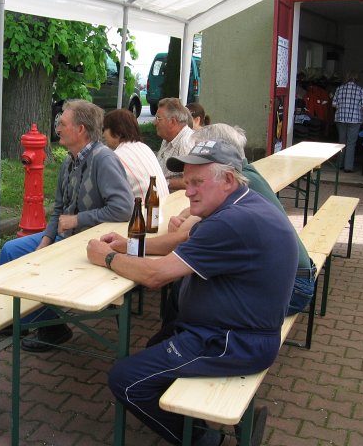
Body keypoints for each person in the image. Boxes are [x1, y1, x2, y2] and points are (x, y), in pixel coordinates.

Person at [86, 140, 298, 446]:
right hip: (233, 328)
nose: (188, 192)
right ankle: (207, 426)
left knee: (126, 379)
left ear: (227, 180)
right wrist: (125, 245)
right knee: (156, 343)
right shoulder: (240, 203)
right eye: (187, 182)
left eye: (197, 183)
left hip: (233, 341)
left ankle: (209, 441)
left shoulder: (231, 222)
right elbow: (179, 243)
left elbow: (156, 276)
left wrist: (106, 258)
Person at [0, 99, 134, 352]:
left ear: (81, 129)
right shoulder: (68, 161)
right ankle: (18, 318)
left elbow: (123, 208)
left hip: (90, 243)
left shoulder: (103, 159)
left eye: (62, 123)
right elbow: (59, 210)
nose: (57, 128)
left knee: (40, 264)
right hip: (66, 239)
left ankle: (51, 327)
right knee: (11, 250)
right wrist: (46, 240)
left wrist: (79, 220)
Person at [169, 123, 316, 318]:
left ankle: (182, 340)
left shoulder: (239, 182)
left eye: (200, 154)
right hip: (297, 274)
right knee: (192, 278)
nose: (194, 160)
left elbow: (184, 236)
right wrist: (186, 214)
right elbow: (194, 218)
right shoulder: (245, 174)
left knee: (188, 284)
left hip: (295, 287)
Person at [102, 109, 169, 200]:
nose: (103, 134)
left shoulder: (116, 157)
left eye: (104, 129)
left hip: (143, 210)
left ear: (117, 132)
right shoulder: (144, 148)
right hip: (164, 206)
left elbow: (107, 196)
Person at [154, 98, 196, 192]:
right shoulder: (167, 138)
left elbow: (193, 181)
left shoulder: (186, 142)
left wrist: (164, 183)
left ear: (172, 122)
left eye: (158, 118)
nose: (155, 123)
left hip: (176, 203)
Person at [332, 71, 363, 172]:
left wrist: (342, 107)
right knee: (351, 143)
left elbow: (333, 104)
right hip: (355, 119)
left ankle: (339, 165)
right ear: (356, 79)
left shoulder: (339, 89)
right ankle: (348, 167)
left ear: (346, 78)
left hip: (341, 118)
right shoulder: (360, 90)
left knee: (341, 142)